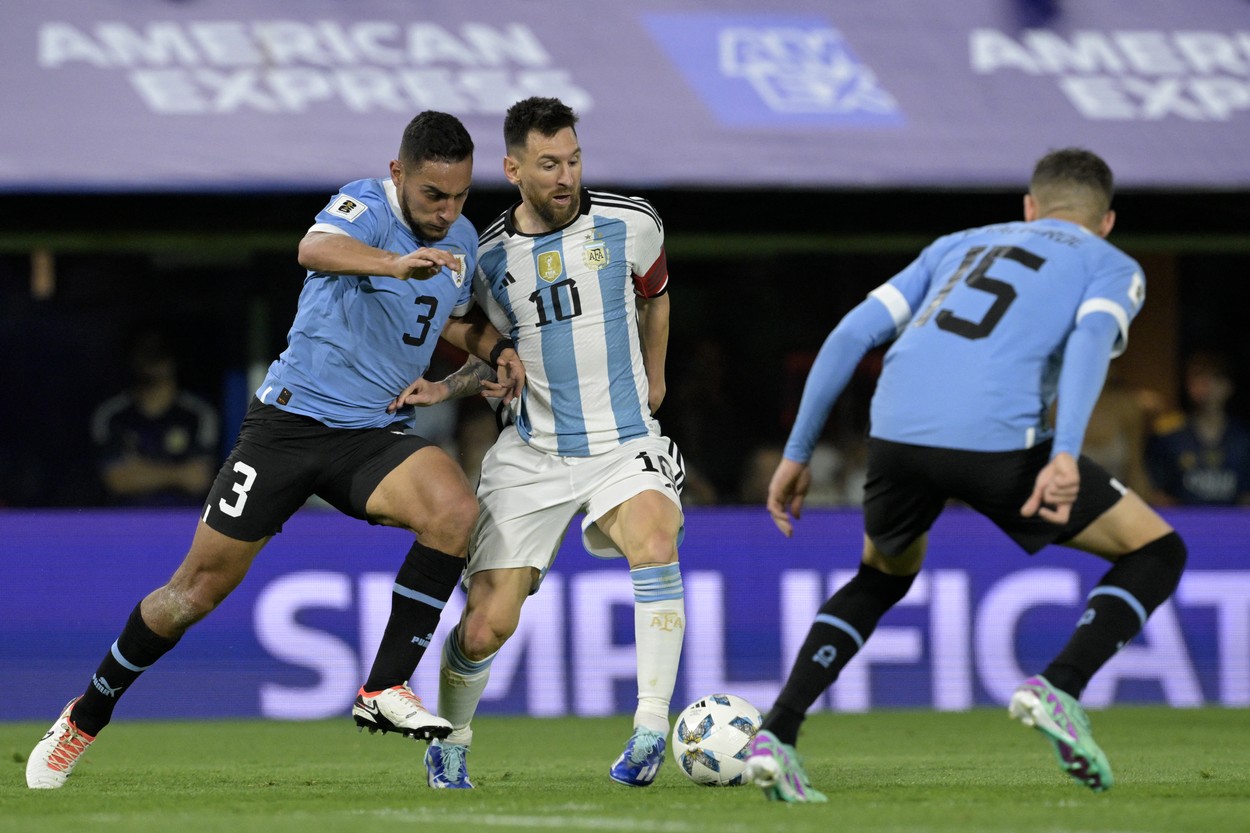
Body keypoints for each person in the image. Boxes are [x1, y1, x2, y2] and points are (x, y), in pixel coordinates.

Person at [26, 111, 523, 790]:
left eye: (461, 195)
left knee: (454, 511)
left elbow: (456, 318)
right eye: (434, 195)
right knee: (192, 592)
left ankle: (384, 687)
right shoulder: (366, 207)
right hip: (286, 427)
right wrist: (393, 261)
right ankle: (84, 716)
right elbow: (313, 249)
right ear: (398, 173)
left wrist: (497, 349)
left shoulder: (461, 241)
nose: (447, 210)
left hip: (367, 433)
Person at [741, 148, 1187, 802]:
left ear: (1029, 207)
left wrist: (797, 450)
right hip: (999, 438)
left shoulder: (955, 245)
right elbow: (1092, 339)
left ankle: (777, 731)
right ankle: (1061, 685)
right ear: (1107, 220)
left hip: (895, 431)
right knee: (1157, 549)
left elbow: (848, 334)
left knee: (880, 575)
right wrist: (1065, 450)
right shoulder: (1109, 262)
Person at [396, 97, 687, 790]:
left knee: (655, 534)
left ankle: (650, 728)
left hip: (623, 441)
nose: (567, 176)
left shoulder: (632, 222)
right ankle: (452, 739)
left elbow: (658, 296)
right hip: (532, 454)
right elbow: (488, 348)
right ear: (514, 168)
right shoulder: (489, 254)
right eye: (550, 164)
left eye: (575, 160)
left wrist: (657, 379)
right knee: (483, 628)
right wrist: (451, 387)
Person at [90, 327, 220, 506]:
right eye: (146, 351)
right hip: (125, 524)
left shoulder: (197, 413)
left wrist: (140, 470)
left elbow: (199, 479)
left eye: (160, 352)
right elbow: (117, 480)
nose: (153, 360)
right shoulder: (112, 414)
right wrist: (179, 472)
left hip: (183, 522)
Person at [1146, 350, 1250, 506]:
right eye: (1199, 377)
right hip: (1182, 524)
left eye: (1216, 377)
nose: (1207, 386)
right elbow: (1155, 492)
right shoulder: (1168, 435)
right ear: (1188, 384)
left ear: (1229, 386)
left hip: (1232, 526)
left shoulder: (1243, 438)